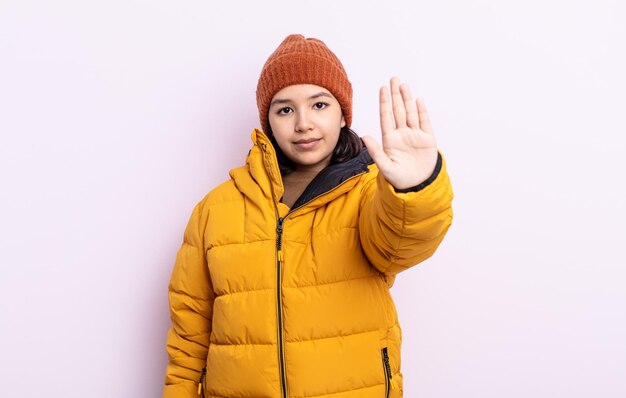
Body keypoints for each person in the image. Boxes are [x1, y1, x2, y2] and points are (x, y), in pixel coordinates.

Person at [163, 34, 453, 398]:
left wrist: (415, 189)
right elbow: (189, 337)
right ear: (267, 120)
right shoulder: (215, 210)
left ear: (342, 111)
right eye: (285, 109)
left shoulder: (370, 194)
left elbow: (403, 243)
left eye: (319, 105)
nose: (303, 123)